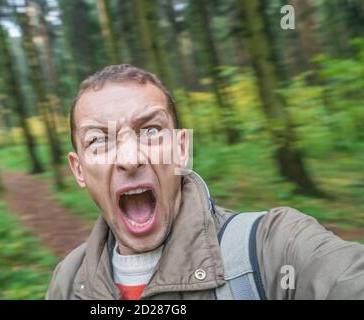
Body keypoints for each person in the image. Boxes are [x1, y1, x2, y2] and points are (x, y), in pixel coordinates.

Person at [46, 64, 364, 300]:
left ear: (183, 148)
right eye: (99, 140)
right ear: (79, 170)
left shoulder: (275, 247)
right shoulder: (69, 281)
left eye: (152, 131)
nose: (130, 158)